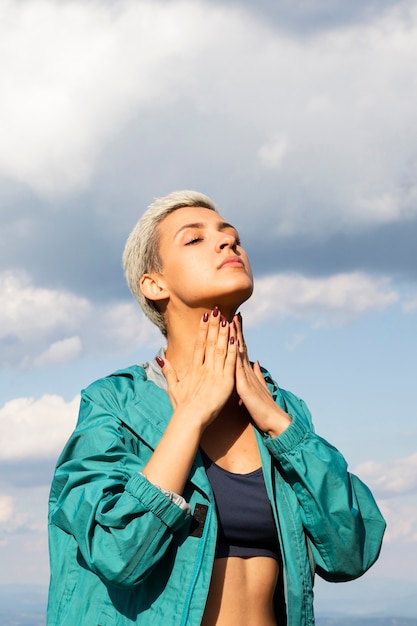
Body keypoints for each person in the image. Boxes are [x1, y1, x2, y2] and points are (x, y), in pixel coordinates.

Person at [47, 190, 386, 626]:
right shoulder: (115, 405)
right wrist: (191, 414)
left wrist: (279, 424)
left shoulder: (284, 411)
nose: (228, 243)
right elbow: (118, 552)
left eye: (232, 236)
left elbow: (351, 552)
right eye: (195, 239)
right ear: (154, 284)